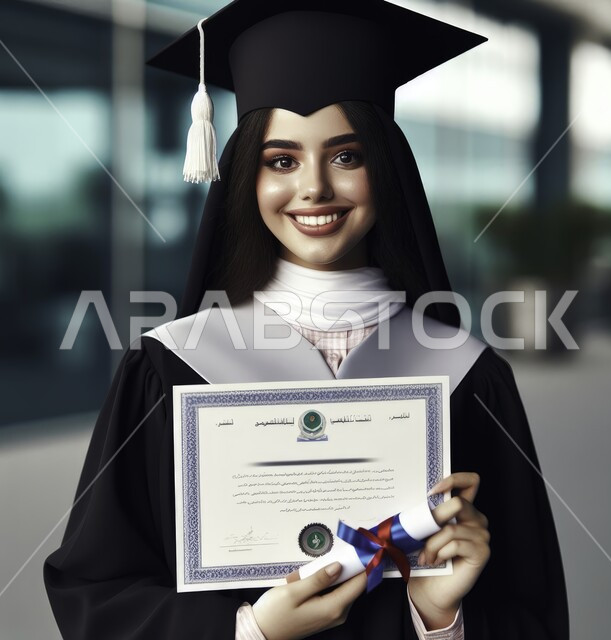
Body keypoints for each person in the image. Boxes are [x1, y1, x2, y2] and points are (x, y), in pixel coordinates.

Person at [43, 1, 570, 639]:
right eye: (281, 160)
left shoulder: (467, 378)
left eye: (347, 156)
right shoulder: (169, 368)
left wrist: (443, 618)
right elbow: (96, 597)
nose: (314, 188)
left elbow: (534, 614)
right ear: (246, 177)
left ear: (389, 168)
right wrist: (247, 630)